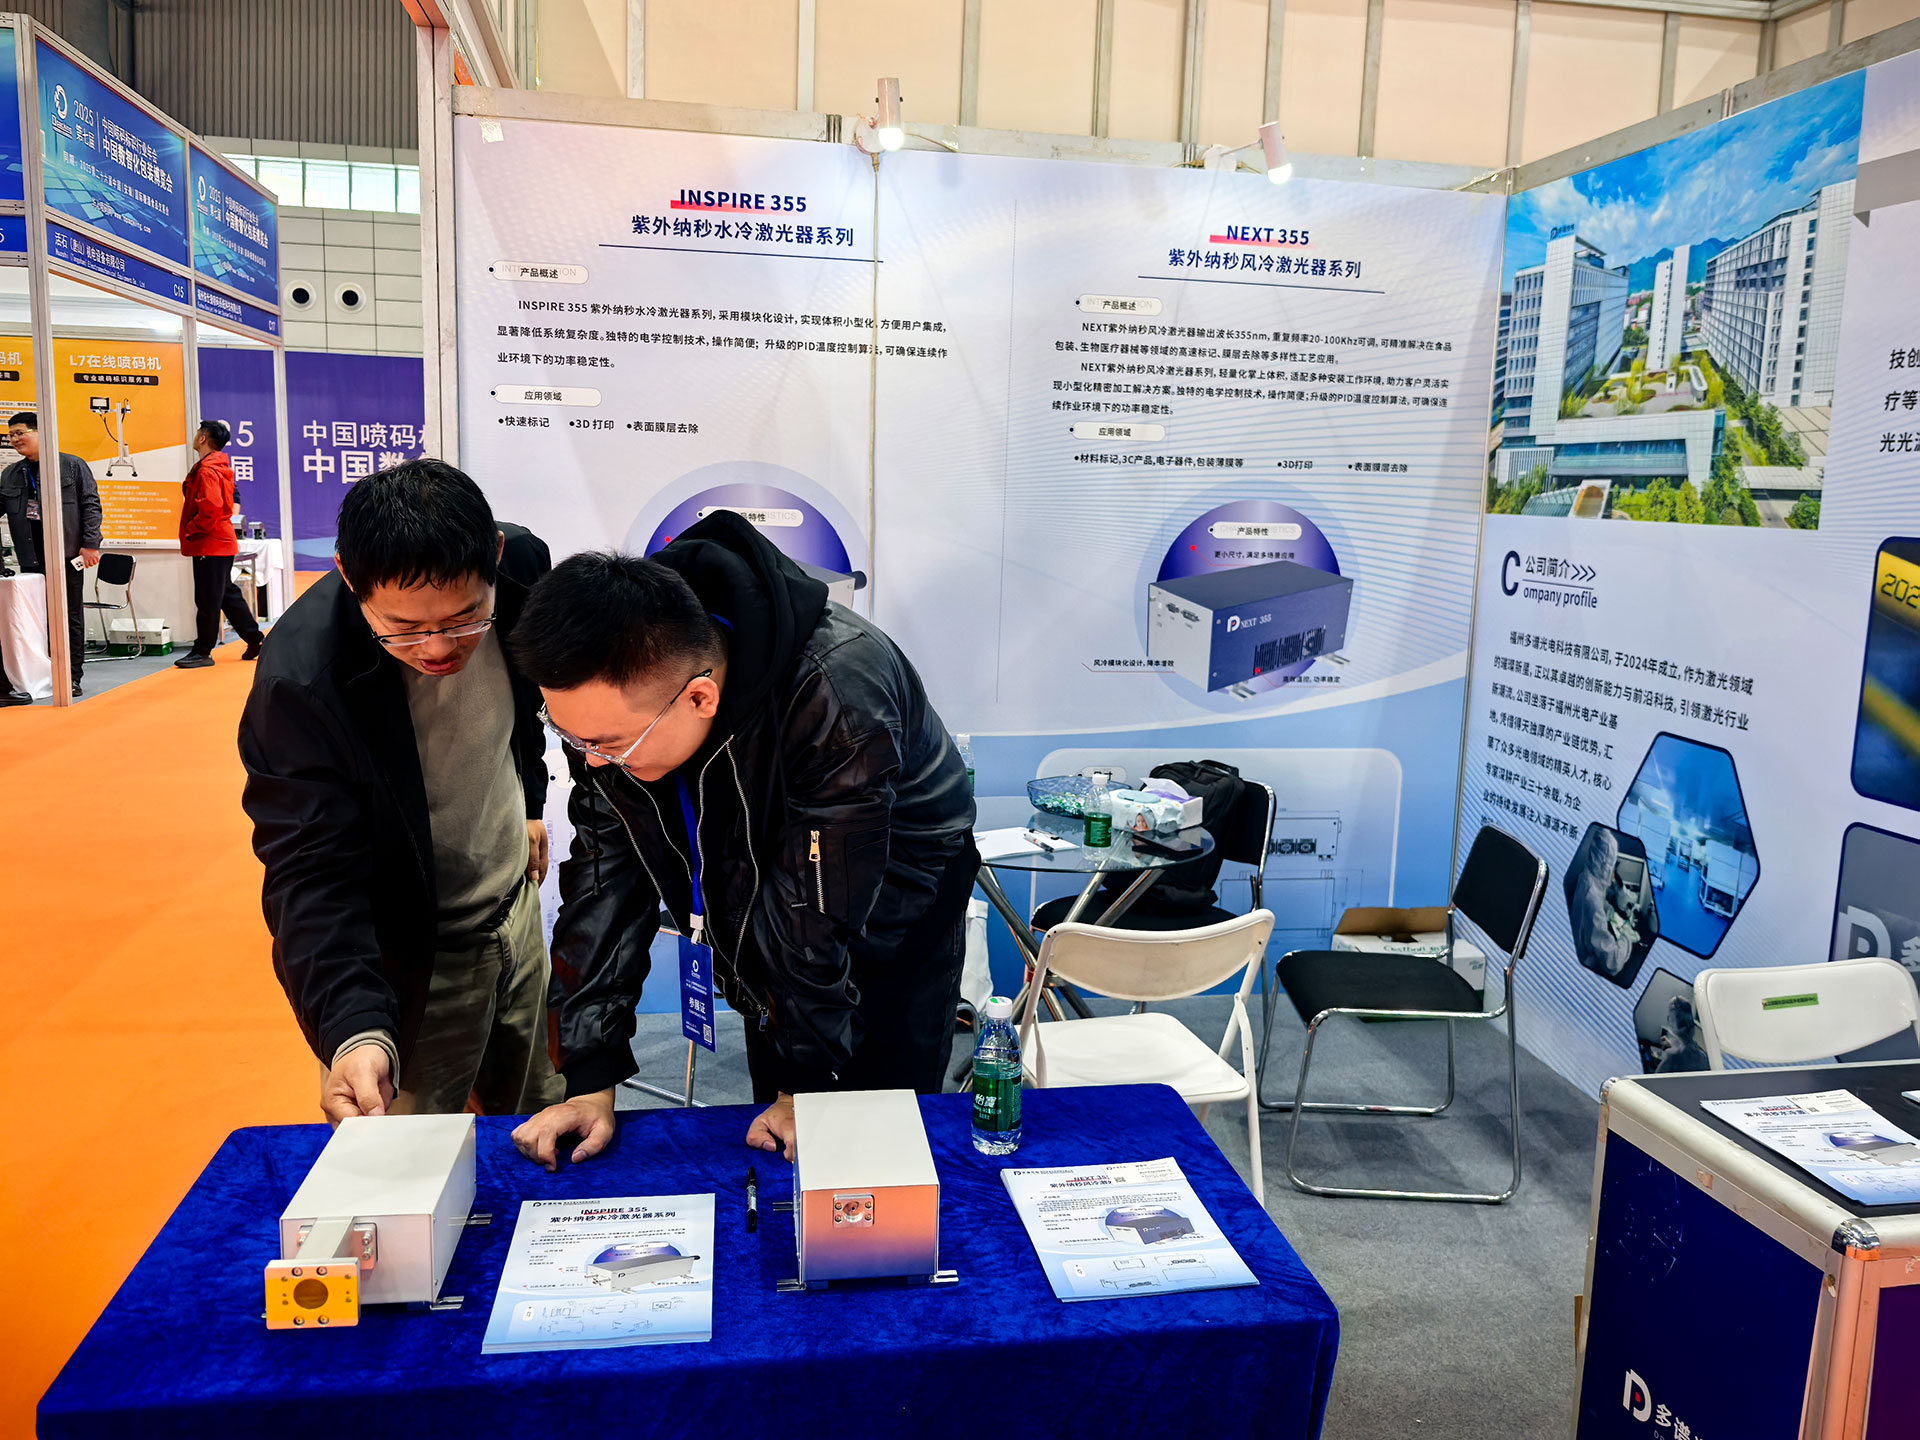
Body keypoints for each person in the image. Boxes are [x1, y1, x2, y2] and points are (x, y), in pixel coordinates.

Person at [505, 511, 977, 1172]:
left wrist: (802, 1087)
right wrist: (589, 1080)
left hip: (892, 909)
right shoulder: (619, 707)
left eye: (605, 744)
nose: (589, 762)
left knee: (875, 1138)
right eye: (572, 739)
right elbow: (602, 884)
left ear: (700, 698)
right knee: (780, 1137)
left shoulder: (836, 689)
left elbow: (815, 914)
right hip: (771, 913)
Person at [239, 459, 564, 1123]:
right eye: (404, 628)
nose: (439, 648)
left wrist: (530, 800)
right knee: (412, 1150)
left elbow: (536, 693)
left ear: (496, 556)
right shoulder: (302, 683)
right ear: (347, 575)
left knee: (538, 1124)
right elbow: (311, 872)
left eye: (465, 618)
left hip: (516, 916)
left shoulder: (524, 567)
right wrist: (353, 1027)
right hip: (410, 958)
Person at [0, 412, 100, 698]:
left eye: (20, 433)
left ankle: (71, 676)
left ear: (40, 432)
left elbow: (91, 505)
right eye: (11, 435)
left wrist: (90, 544)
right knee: (34, 619)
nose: (14, 439)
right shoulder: (10, 474)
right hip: (30, 556)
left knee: (70, 616)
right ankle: (42, 673)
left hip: (66, 554)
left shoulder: (71, 466)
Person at [174, 418, 264, 669]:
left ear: (203, 438)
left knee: (207, 599)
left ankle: (203, 651)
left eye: (198, 433)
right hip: (219, 541)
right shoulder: (218, 466)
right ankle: (255, 639)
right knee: (225, 594)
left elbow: (210, 509)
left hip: (210, 542)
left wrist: (191, 529)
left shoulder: (207, 470)